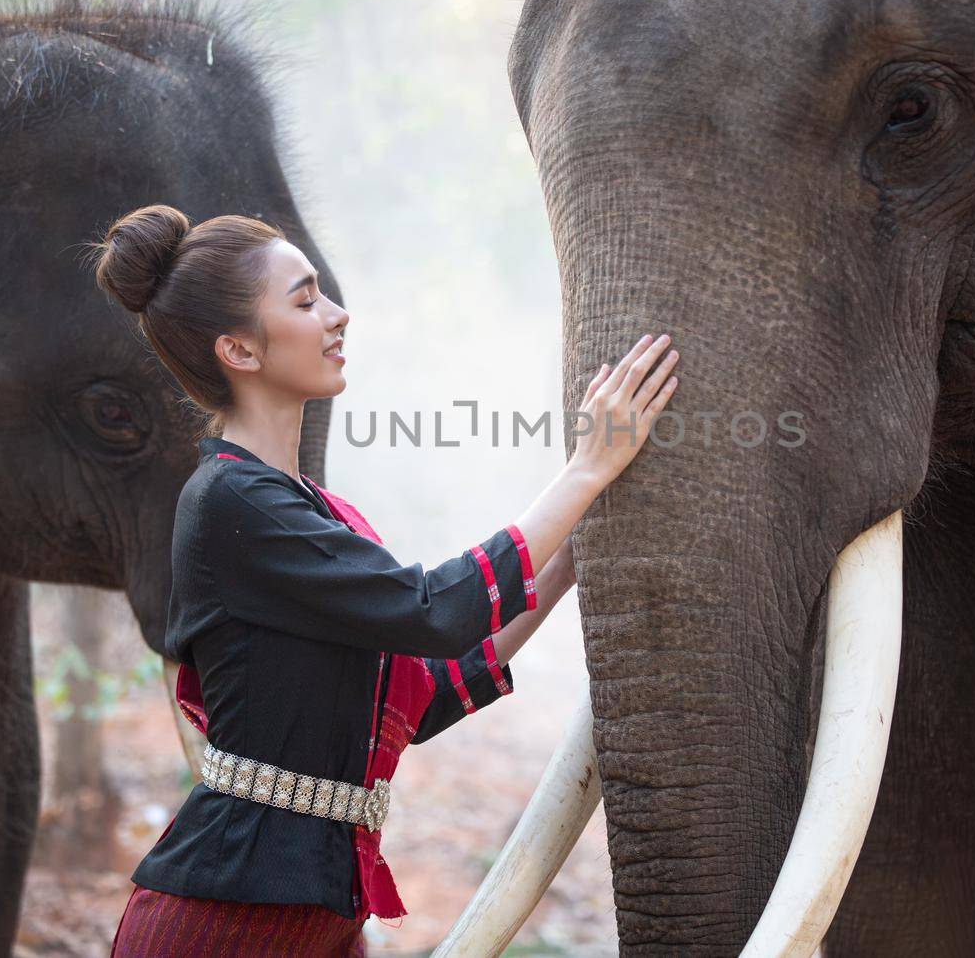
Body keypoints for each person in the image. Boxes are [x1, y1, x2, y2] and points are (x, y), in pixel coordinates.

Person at [88, 204, 679, 956]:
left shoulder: (315, 511)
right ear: (238, 348)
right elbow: (434, 610)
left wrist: (562, 564)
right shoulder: (231, 502)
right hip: (226, 920)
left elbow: (418, 690)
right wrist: (586, 468)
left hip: (324, 910)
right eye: (304, 301)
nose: (337, 316)